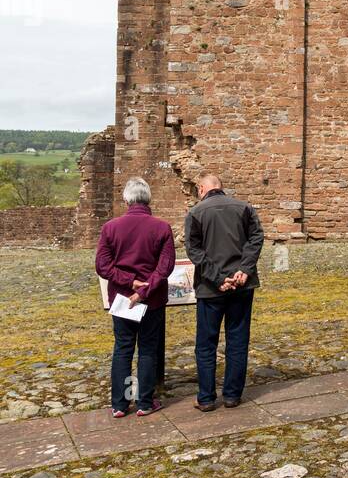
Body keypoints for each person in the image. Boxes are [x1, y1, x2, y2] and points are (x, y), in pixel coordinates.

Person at [95, 177, 176, 419]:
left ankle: (120, 404)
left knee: (123, 348)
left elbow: (102, 266)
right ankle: (144, 402)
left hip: (122, 298)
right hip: (151, 299)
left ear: (127, 199)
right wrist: (143, 289)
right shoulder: (161, 227)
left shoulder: (111, 227)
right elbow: (165, 267)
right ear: (148, 198)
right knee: (148, 349)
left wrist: (128, 282)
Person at [184, 173, 264, 411]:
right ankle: (232, 395)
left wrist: (218, 278)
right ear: (221, 187)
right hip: (242, 285)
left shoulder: (196, 212)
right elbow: (256, 238)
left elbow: (194, 250)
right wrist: (244, 269)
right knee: (237, 340)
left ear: (201, 189)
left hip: (211, 288)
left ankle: (206, 398)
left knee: (206, 344)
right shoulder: (244, 207)